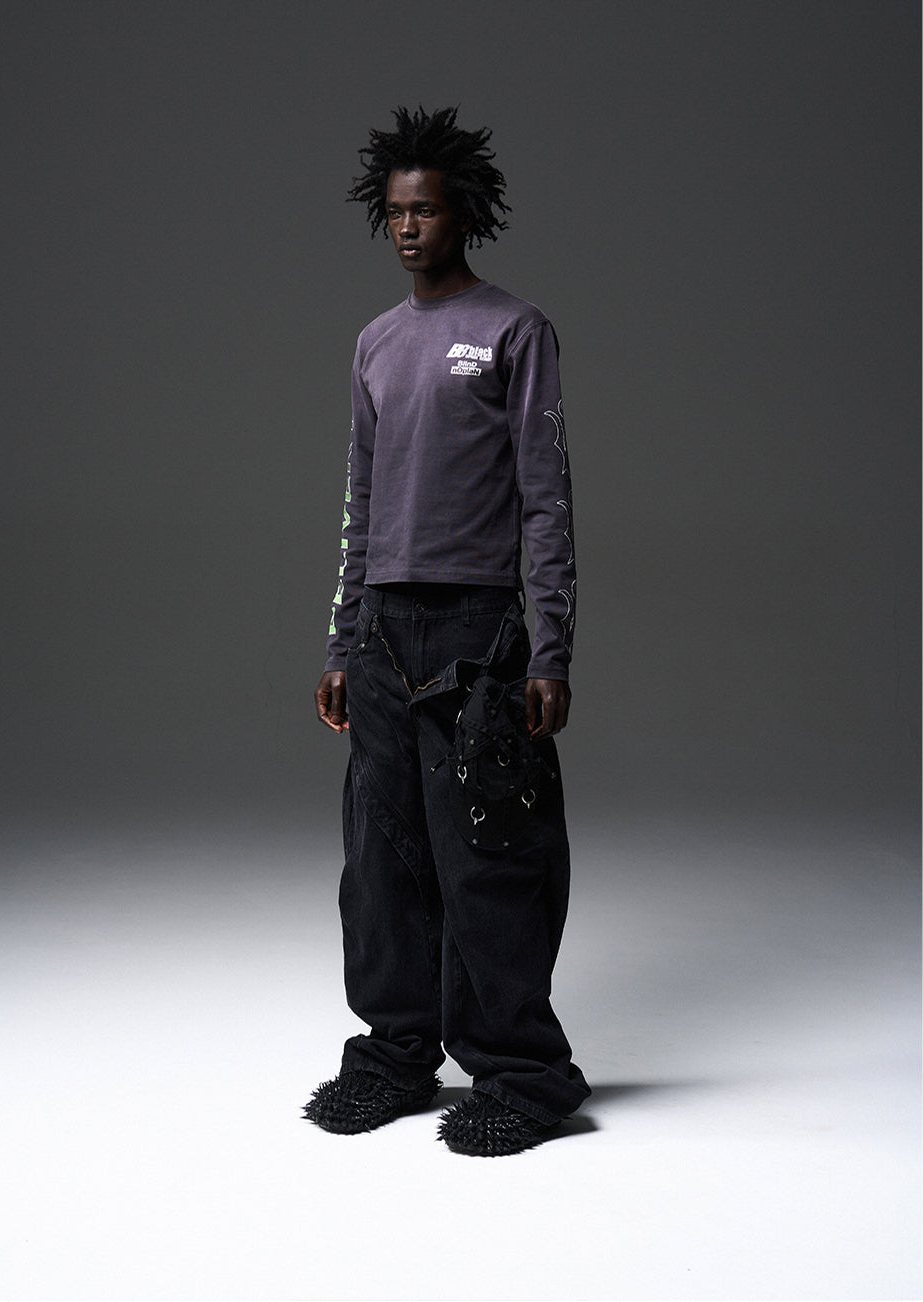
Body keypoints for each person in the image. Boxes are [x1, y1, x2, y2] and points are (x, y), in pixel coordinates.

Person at [304, 106, 590, 1156]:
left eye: (425, 210)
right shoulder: (377, 343)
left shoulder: (517, 331)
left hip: (478, 631)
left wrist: (549, 647)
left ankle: (522, 1073)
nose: (409, 228)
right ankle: (395, 1054)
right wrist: (342, 642)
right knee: (382, 860)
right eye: (395, 213)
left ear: (463, 213)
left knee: (489, 853)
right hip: (385, 628)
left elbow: (546, 501)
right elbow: (360, 502)